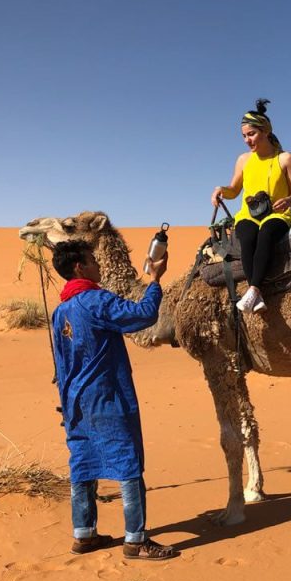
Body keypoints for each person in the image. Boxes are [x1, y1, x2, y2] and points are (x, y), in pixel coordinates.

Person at [50, 239, 178, 561]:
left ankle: (84, 535)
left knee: (82, 465)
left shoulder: (60, 311)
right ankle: (136, 541)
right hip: (107, 398)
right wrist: (155, 282)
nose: (98, 265)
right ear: (80, 267)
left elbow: (60, 362)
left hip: (75, 402)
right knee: (128, 464)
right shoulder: (95, 301)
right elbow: (143, 316)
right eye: (92, 260)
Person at [211, 98, 291, 313]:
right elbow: (234, 190)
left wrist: (289, 200)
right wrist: (221, 190)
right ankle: (257, 295)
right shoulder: (243, 160)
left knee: (267, 234)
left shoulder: (286, 158)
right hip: (248, 214)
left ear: (265, 131)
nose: (246, 140)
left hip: (278, 214)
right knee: (247, 235)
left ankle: (253, 289)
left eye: (251, 134)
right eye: (244, 136)